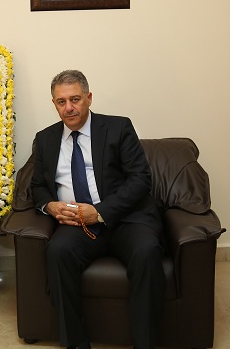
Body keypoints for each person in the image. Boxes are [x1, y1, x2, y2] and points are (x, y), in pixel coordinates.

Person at [30, 70, 165, 349]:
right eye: (61, 101)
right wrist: (50, 206)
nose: (69, 107)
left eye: (75, 99)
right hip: (78, 224)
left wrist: (100, 211)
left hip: (127, 219)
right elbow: (37, 187)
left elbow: (140, 179)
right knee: (58, 251)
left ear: (89, 98)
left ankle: (146, 344)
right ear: (54, 104)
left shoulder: (118, 128)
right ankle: (76, 343)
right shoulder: (45, 139)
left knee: (147, 251)